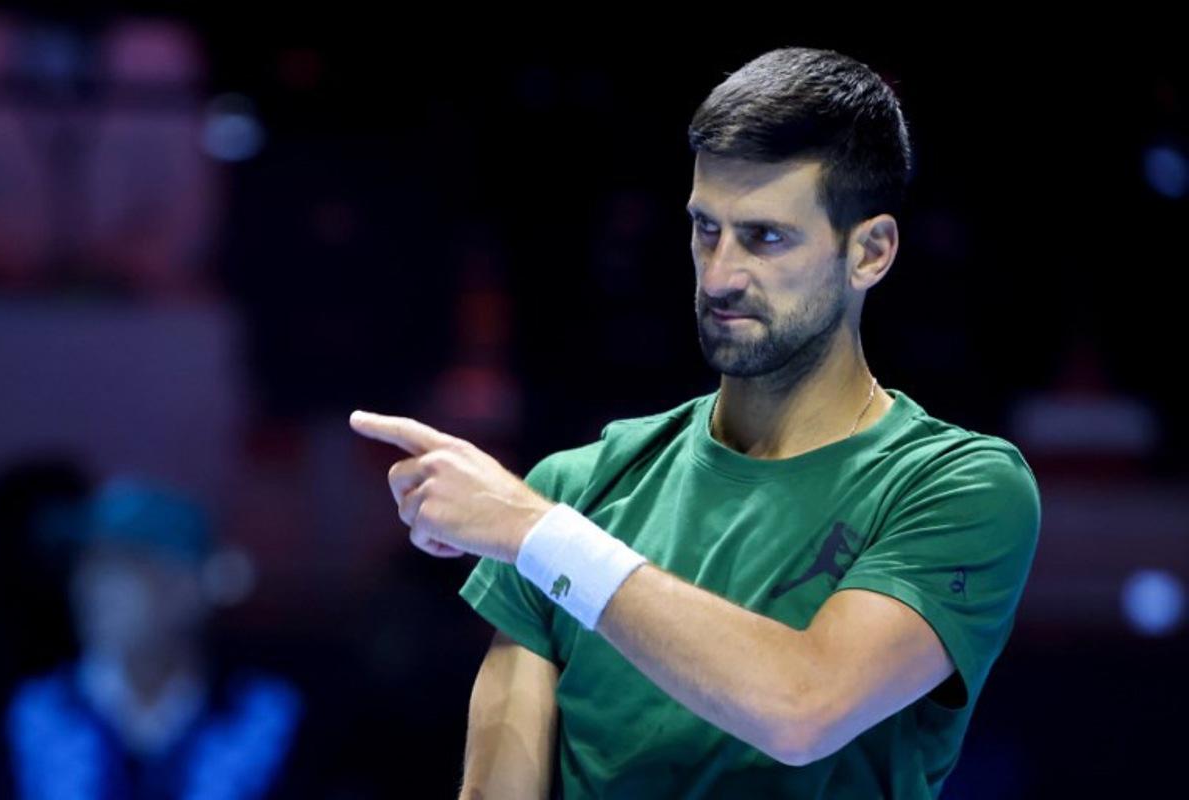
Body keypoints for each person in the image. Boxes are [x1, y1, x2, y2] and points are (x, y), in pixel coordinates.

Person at [348, 45, 1042, 799]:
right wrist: (541, 528)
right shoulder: (574, 489)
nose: (719, 276)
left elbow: (803, 708)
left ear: (869, 252)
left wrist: (537, 534)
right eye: (706, 229)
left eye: (765, 237)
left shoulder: (959, 487)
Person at [3, 476, 303, 800]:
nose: (89, 589)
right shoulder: (37, 713)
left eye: (120, 569)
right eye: (86, 566)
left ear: (187, 589)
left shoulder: (264, 716)